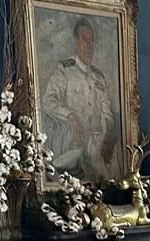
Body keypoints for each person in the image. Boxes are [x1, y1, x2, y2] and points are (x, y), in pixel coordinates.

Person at [41, 17, 119, 182]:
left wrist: (109, 137)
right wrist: (71, 116)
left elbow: (107, 112)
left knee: (115, 176)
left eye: (92, 41)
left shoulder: (98, 76)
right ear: (76, 43)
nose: (89, 45)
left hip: (99, 144)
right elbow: (48, 101)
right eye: (85, 40)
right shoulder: (65, 70)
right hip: (74, 144)